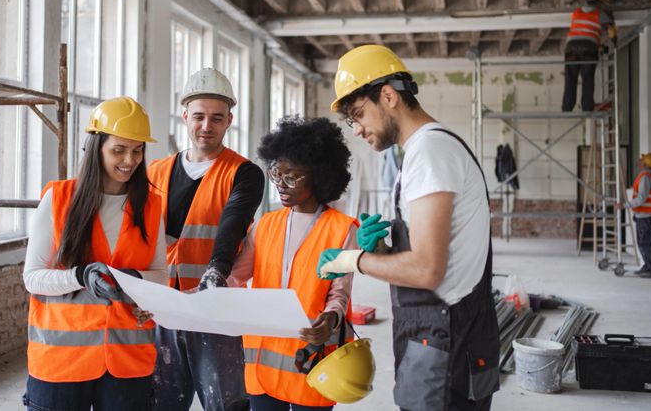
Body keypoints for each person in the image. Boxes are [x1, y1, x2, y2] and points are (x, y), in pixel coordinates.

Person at [317, 45, 500, 411]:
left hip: (446, 344)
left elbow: (427, 270)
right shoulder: (427, 149)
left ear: (388, 96)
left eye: (358, 115)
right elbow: (430, 255)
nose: (356, 129)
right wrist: (382, 250)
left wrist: (354, 261)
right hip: (444, 337)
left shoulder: (430, 152)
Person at [22, 96, 167, 411]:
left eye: (137, 150)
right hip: (62, 358)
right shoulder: (58, 199)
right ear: (96, 148)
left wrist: (136, 283)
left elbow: (161, 276)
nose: (129, 160)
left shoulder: (151, 207)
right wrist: (80, 276)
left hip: (128, 360)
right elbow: (33, 278)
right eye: (119, 150)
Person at [148, 68, 265, 411]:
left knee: (227, 402)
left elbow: (233, 223)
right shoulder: (155, 173)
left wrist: (216, 269)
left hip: (217, 307)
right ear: (185, 116)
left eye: (216, 118)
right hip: (164, 307)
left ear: (230, 120)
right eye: (198, 116)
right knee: (160, 401)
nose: (206, 126)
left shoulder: (244, 173)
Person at [228, 116, 359, 411]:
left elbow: (340, 292)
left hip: (311, 362)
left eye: (292, 176)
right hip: (262, 364)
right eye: (276, 174)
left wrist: (331, 319)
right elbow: (235, 277)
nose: (281, 185)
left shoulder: (342, 228)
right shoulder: (266, 224)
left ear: (319, 176)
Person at [561, 0, 616, 112]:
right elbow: (611, 30)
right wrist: (614, 42)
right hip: (589, 48)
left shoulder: (576, 12)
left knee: (570, 78)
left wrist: (599, 44)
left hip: (571, 48)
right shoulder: (599, 13)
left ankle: (567, 107)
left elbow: (584, 32)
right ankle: (587, 107)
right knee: (587, 77)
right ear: (598, 2)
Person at [616, 152, 651, 277]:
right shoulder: (647, 176)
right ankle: (649, 266)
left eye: (642, 159)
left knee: (644, 243)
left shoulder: (646, 177)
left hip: (645, 217)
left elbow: (641, 198)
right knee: (644, 242)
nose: (639, 160)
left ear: (646, 164)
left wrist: (624, 205)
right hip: (646, 216)